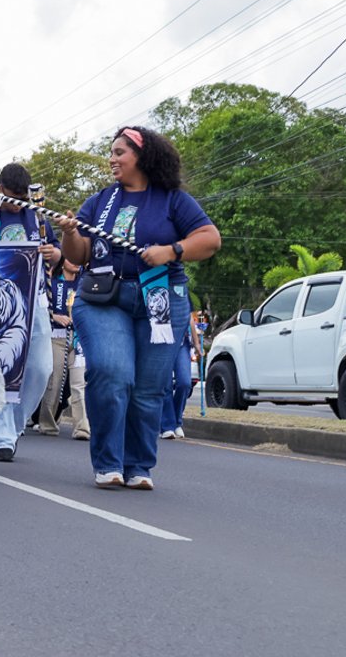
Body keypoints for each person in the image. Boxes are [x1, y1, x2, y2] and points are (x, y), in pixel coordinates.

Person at [58, 125, 221, 490]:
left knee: (149, 388)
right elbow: (79, 255)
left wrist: (172, 251)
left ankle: (138, 466)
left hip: (161, 300)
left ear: (142, 157)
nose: (112, 159)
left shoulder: (173, 200)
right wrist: (70, 233)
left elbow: (210, 239)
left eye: (120, 152)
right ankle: (108, 462)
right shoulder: (99, 202)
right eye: (111, 152)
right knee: (112, 372)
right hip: (104, 299)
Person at [0, 163, 59, 462]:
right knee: (0, 367)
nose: (18, 205)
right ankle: (0, 437)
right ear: (0, 188)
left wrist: (55, 253)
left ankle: (14, 426)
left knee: (42, 368)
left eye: (23, 198)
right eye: (13, 198)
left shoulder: (38, 216)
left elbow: (56, 250)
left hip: (36, 301)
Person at [36, 260, 91, 440]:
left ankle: (82, 428)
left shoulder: (84, 282)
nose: (76, 263)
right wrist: (54, 316)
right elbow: (40, 306)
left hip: (79, 338)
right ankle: (47, 423)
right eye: (71, 259)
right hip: (56, 337)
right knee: (54, 382)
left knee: (79, 383)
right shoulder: (51, 282)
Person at [160, 308, 204, 439]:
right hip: (162, 342)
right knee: (166, 386)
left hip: (182, 342)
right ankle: (167, 426)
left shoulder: (181, 294)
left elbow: (189, 317)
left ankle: (176, 421)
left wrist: (196, 343)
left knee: (185, 383)